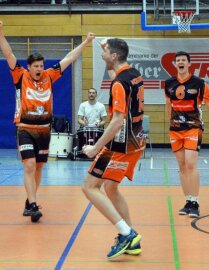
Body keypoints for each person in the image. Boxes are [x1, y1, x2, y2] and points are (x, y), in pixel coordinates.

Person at [0, 20, 94, 222]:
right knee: (29, 165)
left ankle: (30, 200)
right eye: (36, 66)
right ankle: (32, 205)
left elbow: (69, 58)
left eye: (41, 65)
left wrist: (86, 43)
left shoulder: (49, 75)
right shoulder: (20, 75)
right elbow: (8, 54)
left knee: (38, 167)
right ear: (29, 67)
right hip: (25, 128)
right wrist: (0, 33)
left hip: (44, 130)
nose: (40, 68)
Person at [81, 38, 144, 259]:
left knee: (89, 187)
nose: (102, 55)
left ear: (114, 56)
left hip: (120, 145)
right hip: (137, 142)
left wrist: (95, 147)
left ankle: (126, 233)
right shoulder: (133, 74)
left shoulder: (119, 84)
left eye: (105, 52)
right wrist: (104, 46)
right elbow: (116, 80)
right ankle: (132, 241)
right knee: (111, 188)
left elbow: (117, 120)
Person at [165, 51, 209, 218]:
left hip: (193, 127)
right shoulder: (169, 83)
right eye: (178, 60)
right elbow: (168, 104)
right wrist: (171, 119)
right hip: (175, 129)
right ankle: (188, 201)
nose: (181, 62)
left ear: (189, 64)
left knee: (191, 164)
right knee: (182, 166)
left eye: (184, 60)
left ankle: (196, 202)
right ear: (175, 64)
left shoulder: (200, 83)